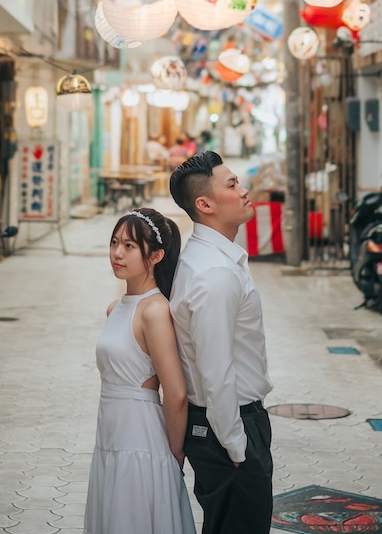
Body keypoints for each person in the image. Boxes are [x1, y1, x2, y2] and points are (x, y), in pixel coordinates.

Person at [167, 151, 273, 534]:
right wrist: (237, 446)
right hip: (228, 428)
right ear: (205, 204)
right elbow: (216, 370)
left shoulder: (210, 260)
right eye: (232, 185)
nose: (244, 191)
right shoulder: (213, 274)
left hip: (226, 427)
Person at [85, 207, 197, 534]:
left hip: (142, 441)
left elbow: (175, 393)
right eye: (114, 242)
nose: (117, 253)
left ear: (157, 255)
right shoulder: (115, 307)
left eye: (130, 246)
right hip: (110, 435)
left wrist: (174, 455)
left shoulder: (155, 310)